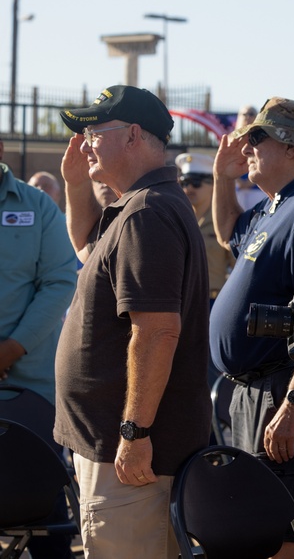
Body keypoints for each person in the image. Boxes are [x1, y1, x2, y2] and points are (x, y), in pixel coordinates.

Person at [54, 85, 211, 557]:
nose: (82, 144)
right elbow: (87, 247)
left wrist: (134, 431)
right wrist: (75, 183)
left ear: (133, 136)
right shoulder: (140, 205)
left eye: (93, 133)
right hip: (116, 447)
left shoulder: (149, 212)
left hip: (129, 453)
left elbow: (157, 330)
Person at [210, 97, 294, 557]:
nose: (246, 147)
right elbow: (229, 231)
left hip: (280, 390)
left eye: (257, 138)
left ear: (291, 148)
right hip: (253, 392)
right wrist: (221, 180)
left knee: (283, 531)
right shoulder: (274, 205)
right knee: (257, 525)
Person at [0, 138, 78, 559]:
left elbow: (60, 281)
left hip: (31, 390)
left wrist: (12, 348)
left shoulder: (38, 207)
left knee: (46, 515)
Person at [175, 152, 234, 304]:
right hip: (179, 301)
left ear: (213, 185)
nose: (188, 188)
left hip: (213, 301)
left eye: (196, 182)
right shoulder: (175, 220)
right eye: (184, 182)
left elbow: (237, 268)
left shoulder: (224, 221)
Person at [233, 104, 267, 211]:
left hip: (257, 190)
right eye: (244, 114)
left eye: (251, 114)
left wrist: (249, 183)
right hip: (236, 190)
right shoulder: (230, 140)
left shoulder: (263, 139)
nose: (247, 117)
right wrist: (239, 182)